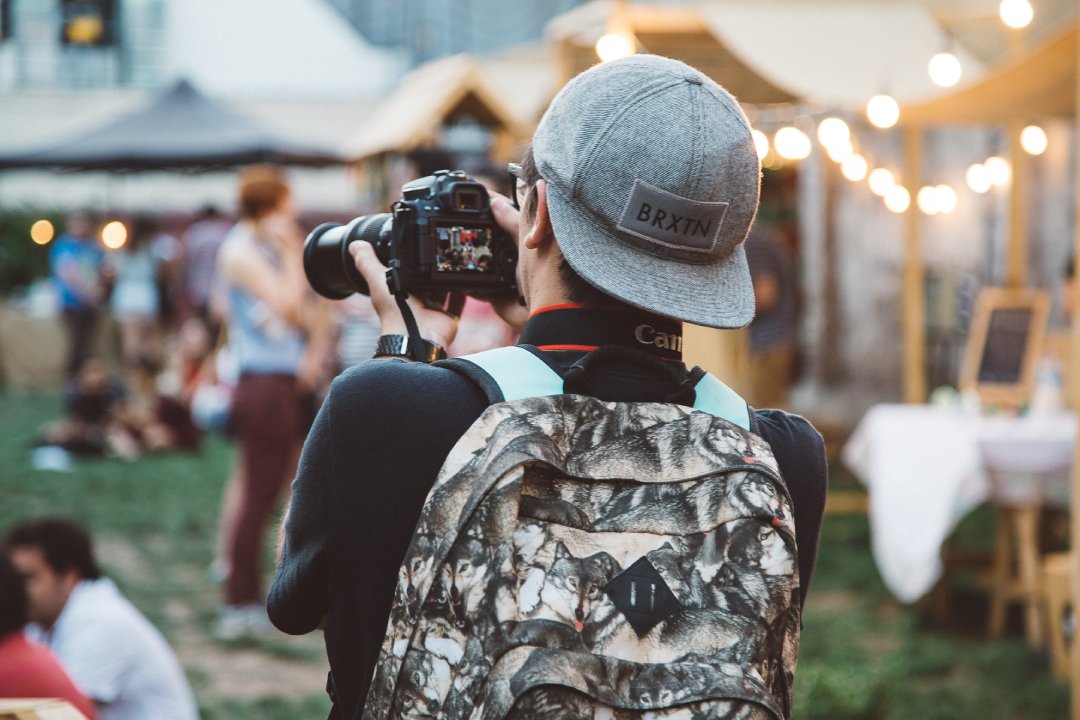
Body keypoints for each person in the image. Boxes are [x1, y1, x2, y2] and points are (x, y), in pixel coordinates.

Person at [268, 55, 828, 718]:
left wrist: (407, 350)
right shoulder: (783, 456)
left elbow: (298, 603)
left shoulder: (388, 409)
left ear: (534, 218)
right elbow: (640, 625)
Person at [214, 165, 309, 637]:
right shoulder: (244, 251)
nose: (294, 212)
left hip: (273, 379)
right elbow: (292, 308)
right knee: (258, 492)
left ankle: (246, 591)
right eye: (287, 202)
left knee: (265, 488)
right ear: (270, 205)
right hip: (264, 383)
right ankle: (239, 600)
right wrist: (293, 254)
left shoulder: (249, 247)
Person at [3, 517, 197, 720]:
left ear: (69, 577)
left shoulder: (99, 622)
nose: (16, 590)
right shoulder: (43, 621)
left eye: (28, 578)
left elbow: (66, 715)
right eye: (13, 580)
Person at [0, 553, 97, 719]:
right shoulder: (21, 650)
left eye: (30, 577)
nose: (26, 589)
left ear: (68, 577)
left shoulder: (96, 619)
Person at [746, 228, 800, 409]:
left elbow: (765, 294)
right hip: (773, 340)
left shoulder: (752, 241)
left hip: (769, 342)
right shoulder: (763, 239)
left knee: (767, 412)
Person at [104, 215, 167, 367]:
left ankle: (137, 375)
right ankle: (148, 374)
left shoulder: (123, 250)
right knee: (149, 338)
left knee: (132, 340)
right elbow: (163, 271)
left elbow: (110, 273)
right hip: (146, 293)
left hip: (128, 295)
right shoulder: (153, 248)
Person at [50, 211, 105, 379]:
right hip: (71, 303)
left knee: (88, 343)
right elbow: (67, 274)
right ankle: (71, 378)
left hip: (91, 303)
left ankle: (86, 378)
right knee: (77, 342)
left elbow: (102, 271)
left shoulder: (94, 246)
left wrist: (98, 290)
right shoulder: (63, 246)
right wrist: (86, 294)